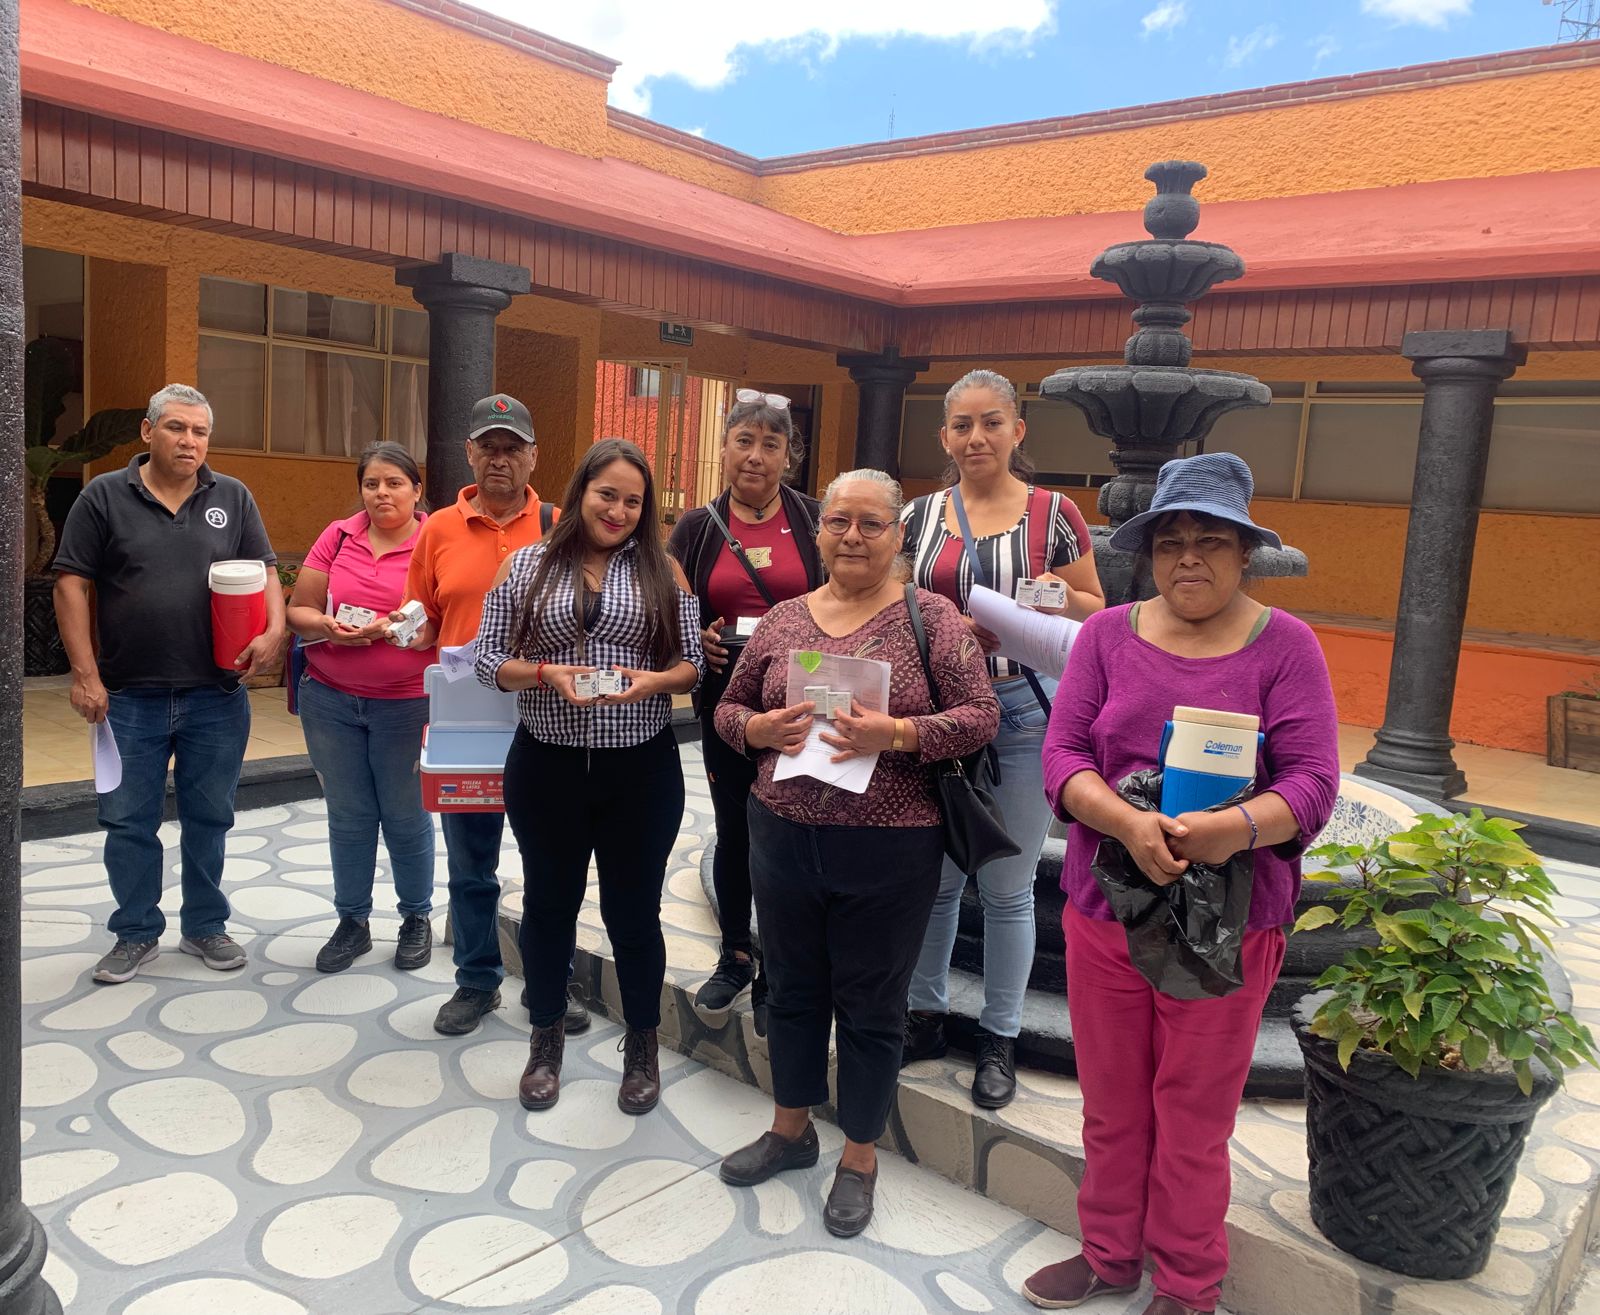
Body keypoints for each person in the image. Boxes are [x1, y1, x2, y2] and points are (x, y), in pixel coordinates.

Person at [1022, 453, 1339, 1315]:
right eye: (1171, 541)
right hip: (1107, 910)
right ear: (1150, 553)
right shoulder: (1105, 635)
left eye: (1211, 540)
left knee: (1194, 1116)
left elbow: (1313, 783)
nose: (1189, 557)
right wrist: (1128, 824)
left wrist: (1227, 831)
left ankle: (1189, 1285)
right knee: (1111, 1103)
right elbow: (1063, 756)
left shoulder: (1287, 646)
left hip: (1227, 925)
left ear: (1246, 553)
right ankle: (1109, 1253)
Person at [713, 469, 999, 1238]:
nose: (853, 536)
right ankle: (790, 1128)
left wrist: (895, 733)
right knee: (791, 988)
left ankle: (860, 1156)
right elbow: (729, 707)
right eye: (839, 520)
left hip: (891, 847)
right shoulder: (784, 619)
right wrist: (759, 730)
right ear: (819, 531)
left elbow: (981, 715)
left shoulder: (931, 617)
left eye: (872, 523)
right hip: (782, 833)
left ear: (897, 535)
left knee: (872, 1005)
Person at [476, 438, 704, 1116]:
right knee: (549, 906)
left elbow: (692, 664)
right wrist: (546, 672)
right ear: (580, 492)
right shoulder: (526, 565)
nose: (619, 510)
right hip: (547, 765)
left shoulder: (664, 569)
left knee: (633, 914)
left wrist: (651, 682)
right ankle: (545, 1039)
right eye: (607, 494)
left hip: (640, 768)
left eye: (633, 500)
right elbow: (488, 661)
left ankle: (642, 1047)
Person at [899, 369, 1104, 1110]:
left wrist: (1038, 600)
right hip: (941, 714)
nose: (976, 437)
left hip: (1023, 711)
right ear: (945, 437)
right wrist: (945, 631)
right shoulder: (919, 517)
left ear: (1017, 431)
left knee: (1009, 888)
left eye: (991, 423)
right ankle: (924, 1015)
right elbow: (896, 601)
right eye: (962, 425)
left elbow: (1095, 613)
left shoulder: (1055, 514)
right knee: (937, 882)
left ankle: (999, 1036)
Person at [54, 383, 285, 984]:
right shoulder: (104, 496)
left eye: (200, 431)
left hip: (217, 694)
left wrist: (275, 630)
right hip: (129, 696)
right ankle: (135, 932)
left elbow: (265, 570)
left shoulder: (231, 496)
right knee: (128, 821)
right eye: (177, 428)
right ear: (148, 431)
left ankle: (205, 924)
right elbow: (71, 583)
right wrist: (85, 675)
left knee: (211, 817)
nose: (190, 441)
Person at [403, 393, 588, 1036]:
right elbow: (425, 616)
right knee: (470, 865)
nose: (500, 460)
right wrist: (405, 631)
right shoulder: (438, 529)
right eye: (489, 447)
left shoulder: (563, 526)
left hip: (547, 720)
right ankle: (477, 981)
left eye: (513, 448)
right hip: (467, 722)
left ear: (534, 456)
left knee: (551, 867)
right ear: (470, 453)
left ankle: (550, 985)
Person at [666, 389, 824, 1026]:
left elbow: (843, 594)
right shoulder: (697, 527)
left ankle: (783, 968)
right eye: (744, 441)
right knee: (736, 828)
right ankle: (735, 954)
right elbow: (672, 610)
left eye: (770, 444)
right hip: (726, 701)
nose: (755, 456)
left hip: (805, 698)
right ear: (725, 447)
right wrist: (697, 635)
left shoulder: (815, 519)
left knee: (795, 830)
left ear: (789, 455)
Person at [286, 442, 437, 975]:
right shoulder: (338, 535)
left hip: (407, 704)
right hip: (330, 699)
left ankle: (416, 917)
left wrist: (406, 631)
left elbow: (447, 618)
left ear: (416, 490)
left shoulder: (433, 539)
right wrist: (328, 628)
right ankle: (352, 922)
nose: (381, 493)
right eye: (371, 484)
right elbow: (299, 610)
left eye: (394, 483)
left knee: (405, 814)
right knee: (348, 816)